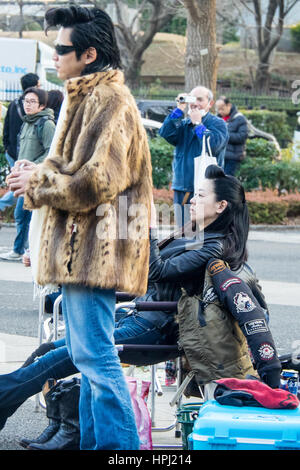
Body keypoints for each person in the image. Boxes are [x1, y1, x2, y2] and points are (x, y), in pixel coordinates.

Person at [1, 165, 281, 448]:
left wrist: (146, 225)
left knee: (73, 354)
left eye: (199, 195)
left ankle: (14, 401)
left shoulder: (215, 246)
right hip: (139, 316)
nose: (192, 201)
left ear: (221, 206)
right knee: (48, 350)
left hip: (156, 330)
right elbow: (141, 270)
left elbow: (157, 270)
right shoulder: (193, 234)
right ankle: (56, 423)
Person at [7, 5, 152, 451]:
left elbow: (97, 182)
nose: (54, 56)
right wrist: (36, 173)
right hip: (82, 251)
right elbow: (74, 170)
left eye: (61, 49)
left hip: (96, 250)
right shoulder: (84, 96)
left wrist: (40, 181)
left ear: (88, 54)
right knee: (92, 361)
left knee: (97, 359)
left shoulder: (108, 100)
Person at [159, 86, 228, 226]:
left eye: (200, 99)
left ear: (210, 103)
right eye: (192, 99)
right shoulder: (184, 124)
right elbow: (165, 132)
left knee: (202, 233)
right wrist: (179, 110)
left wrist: (198, 124)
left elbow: (213, 145)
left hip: (206, 190)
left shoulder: (218, 123)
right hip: (182, 187)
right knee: (184, 233)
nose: (195, 103)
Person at [0, 87, 56, 261]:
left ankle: (24, 250)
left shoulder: (46, 124)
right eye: (26, 101)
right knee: (22, 215)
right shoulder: (27, 122)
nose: (28, 105)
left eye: (32, 102)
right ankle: (25, 250)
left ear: (42, 105)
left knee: (28, 217)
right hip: (24, 177)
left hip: (36, 180)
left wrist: (34, 167)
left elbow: (52, 153)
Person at [0, 73, 40, 218]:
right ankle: (3, 205)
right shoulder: (35, 106)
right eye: (39, 84)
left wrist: (6, 148)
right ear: (34, 86)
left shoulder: (14, 103)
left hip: (12, 153)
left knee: (17, 185)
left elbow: (6, 128)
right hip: (23, 156)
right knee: (20, 187)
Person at [215, 96, 248, 176]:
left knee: (227, 179)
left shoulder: (239, 118)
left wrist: (225, 135)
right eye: (218, 109)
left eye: (222, 109)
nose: (220, 111)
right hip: (219, 155)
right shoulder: (217, 119)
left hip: (233, 156)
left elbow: (242, 136)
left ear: (228, 105)